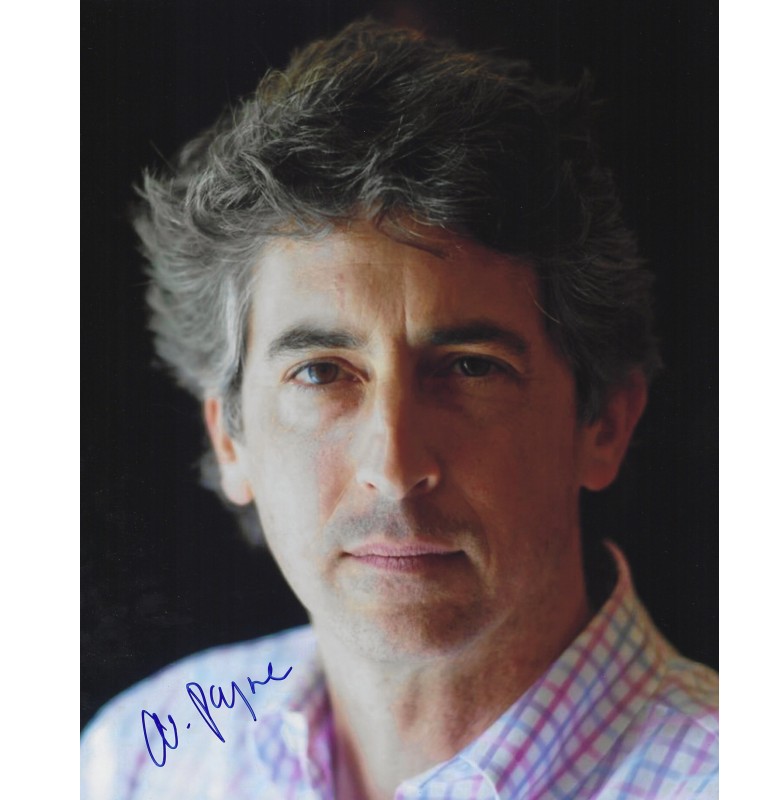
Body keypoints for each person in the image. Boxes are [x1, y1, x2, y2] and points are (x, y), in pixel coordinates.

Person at [81, 18, 718, 799]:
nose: (394, 465)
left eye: (471, 368)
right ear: (229, 440)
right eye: (321, 373)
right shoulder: (138, 761)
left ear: (604, 425)